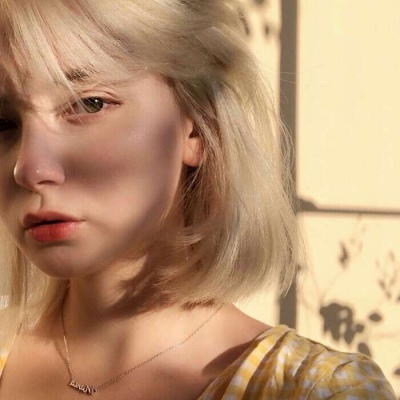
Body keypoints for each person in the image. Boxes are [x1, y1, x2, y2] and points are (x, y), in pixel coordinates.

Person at [0, 0, 396, 399]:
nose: (28, 169)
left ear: (197, 125)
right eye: (3, 123)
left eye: (89, 103)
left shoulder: (318, 391)